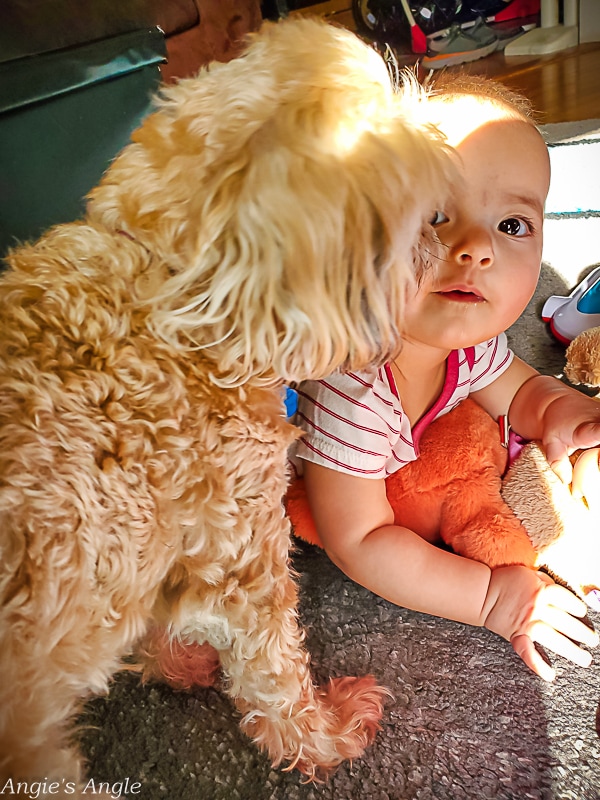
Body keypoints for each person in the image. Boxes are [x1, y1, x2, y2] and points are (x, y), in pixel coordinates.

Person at [291, 75, 600, 683]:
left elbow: (522, 389)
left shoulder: (465, 335)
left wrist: (569, 413)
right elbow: (362, 539)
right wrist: (492, 598)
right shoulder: (351, 386)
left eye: (512, 225)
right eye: (435, 215)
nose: (477, 247)